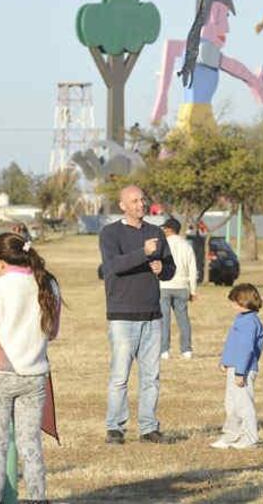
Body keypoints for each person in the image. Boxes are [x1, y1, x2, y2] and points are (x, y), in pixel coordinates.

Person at [0, 232, 62, 503]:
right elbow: (52, 332)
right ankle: (37, 497)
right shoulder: (48, 284)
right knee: (30, 444)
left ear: (0, 261)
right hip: (34, 376)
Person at [98, 185, 176, 444]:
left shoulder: (156, 232)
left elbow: (170, 269)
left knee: (151, 377)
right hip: (122, 315)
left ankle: (148, 428)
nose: (140, 204)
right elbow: (112, 267)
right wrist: (143, 253)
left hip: (152, 315)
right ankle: (115, 428)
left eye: (142, 199)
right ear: (122, 205)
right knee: (120, 376)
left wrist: (161, 267)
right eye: (134, 201)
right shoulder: (110, 233)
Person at [152, 0, 263, 135]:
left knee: (175, 149)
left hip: (188, 111)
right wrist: (256, 83)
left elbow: (171, 47)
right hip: (200, 115)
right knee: (213, 153)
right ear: (215, 13)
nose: (227, 29)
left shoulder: (192, 47)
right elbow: (232, 66)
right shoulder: (205, 50)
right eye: (226, 16)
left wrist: (162, 97)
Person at [211, 283, 263, 450]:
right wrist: (225, 361)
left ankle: (250, 438)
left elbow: (246, 349)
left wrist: (240, 372)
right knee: (232, 404)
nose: (231, 305)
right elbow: (233, 344)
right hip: (235, 368)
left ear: (244, 301)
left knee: (244, 404)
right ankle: (230, 436)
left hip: (244, 370)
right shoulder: (241, 319)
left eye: (234, 301)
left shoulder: (249, 322)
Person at [159, 218, 198, 361]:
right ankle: (186, 350)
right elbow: (192, 269)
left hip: (164, 286)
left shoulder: (162, 245)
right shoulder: (186, 245)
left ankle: (164, 350)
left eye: (164, 228)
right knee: (183, 319)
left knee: (164, 319)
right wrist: (193, 290)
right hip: (182, 286)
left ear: (169, 229)